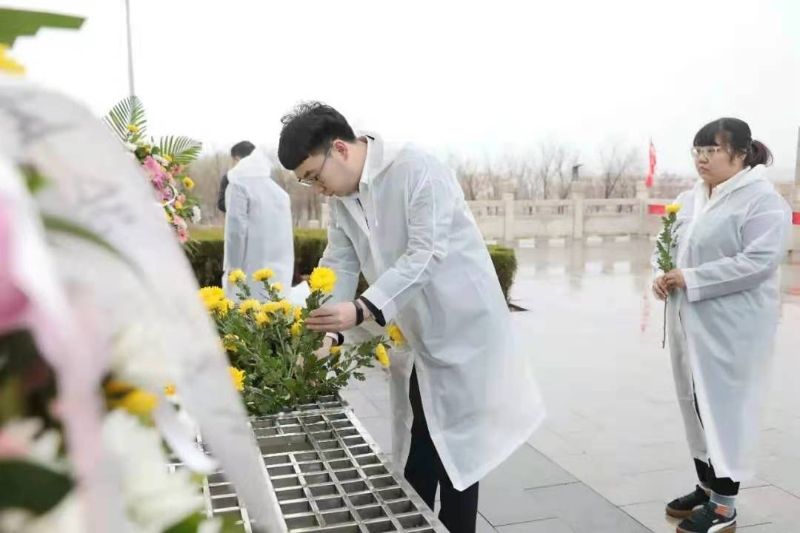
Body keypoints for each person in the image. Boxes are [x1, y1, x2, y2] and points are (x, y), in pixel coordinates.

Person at [277, 102, 545, 533]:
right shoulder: (345, 199)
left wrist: (360, 310)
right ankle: (413, 522)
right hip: (418, 332)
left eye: (314, 176)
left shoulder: (417, 169)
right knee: (424, 440)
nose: (317, 189)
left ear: (339, 149)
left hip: (462, 329)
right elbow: (340, 262)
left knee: (456, 457)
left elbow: (426, 253)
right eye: (307, 181)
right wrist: (327, 331)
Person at [653, 118, 791, 533]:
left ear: (741, 153)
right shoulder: (690, 199)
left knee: (725, 409)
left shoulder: (763, 201)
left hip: (734, 327)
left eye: (712, 150)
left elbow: (758, 262)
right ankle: (706, 486)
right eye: (697, 150)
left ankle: (724, 507)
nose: (702, 158)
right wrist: (661, 275)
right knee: (694, 403)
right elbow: (667, 246)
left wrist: (692, 278)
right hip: (689, 320)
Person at [223, 141, 294, 299]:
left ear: (237, 159)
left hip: (248, 271)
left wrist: (233, 268)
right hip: (278, 275)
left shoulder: (239, 186)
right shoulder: (279, 193)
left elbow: (236, 232)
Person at [217, 141, 256, 213]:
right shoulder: (229, 178)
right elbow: (221, 204)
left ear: (237, 159)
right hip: (238, 218)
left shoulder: (263, 177)